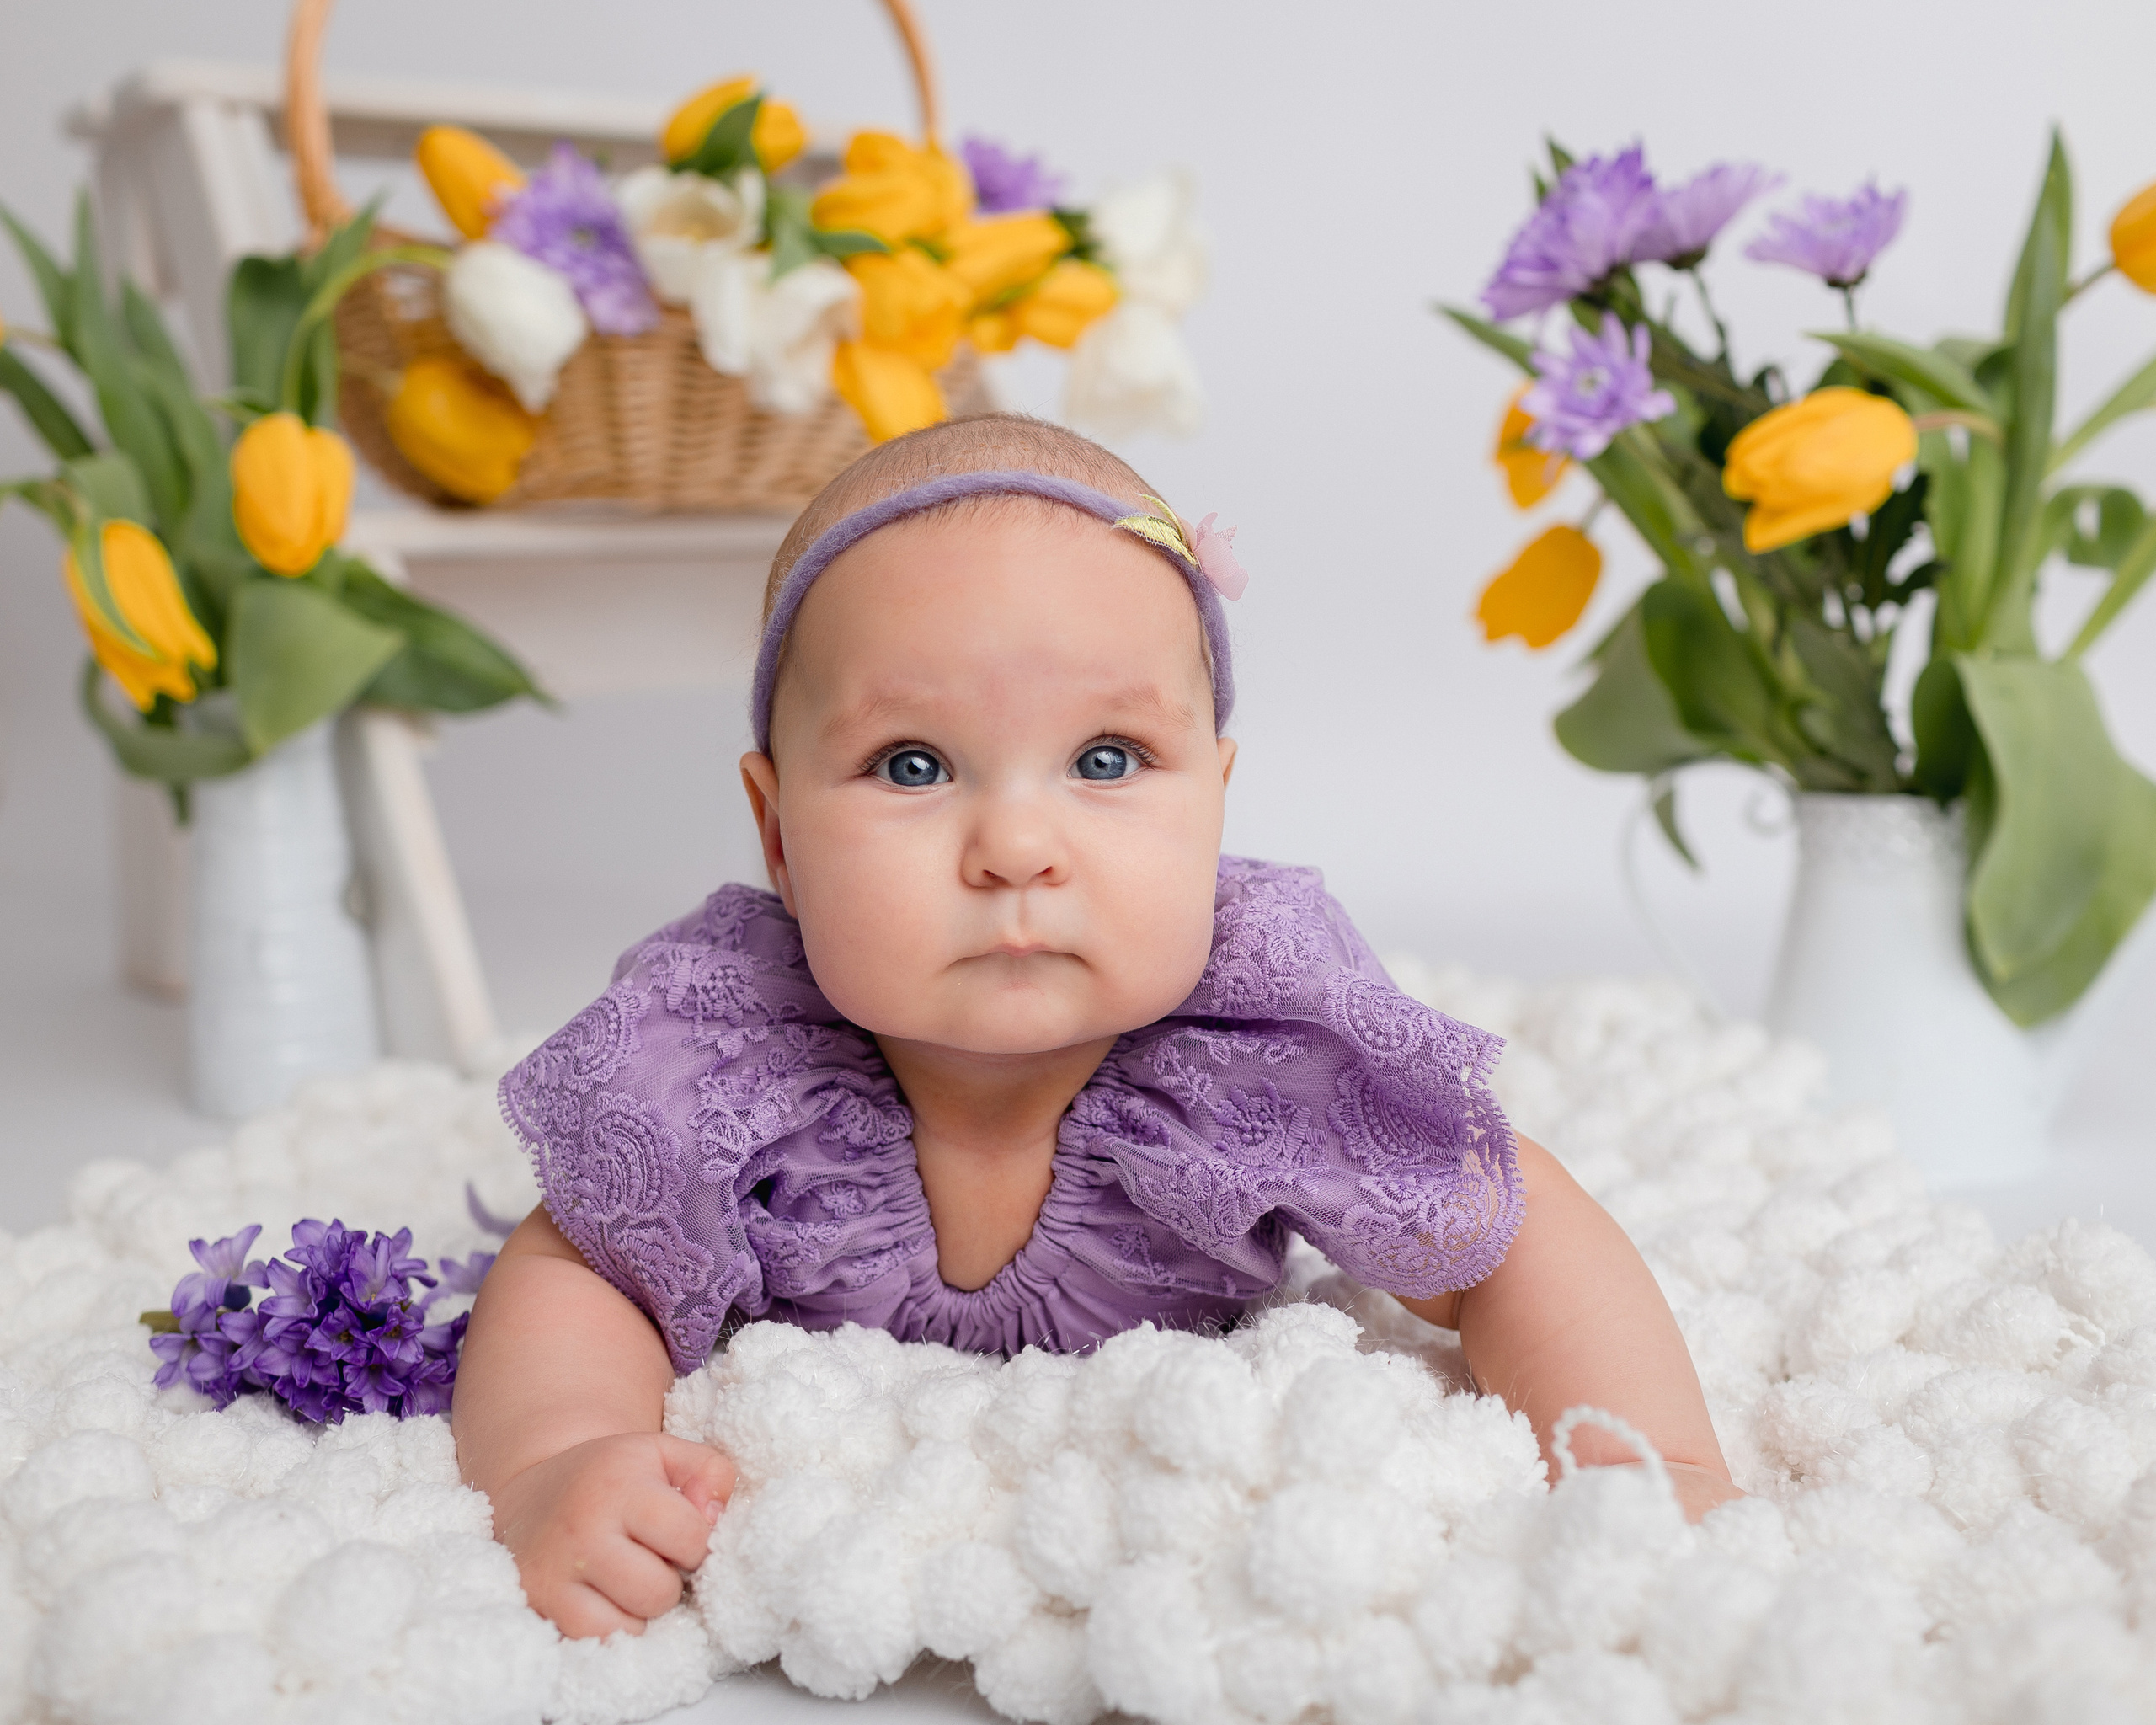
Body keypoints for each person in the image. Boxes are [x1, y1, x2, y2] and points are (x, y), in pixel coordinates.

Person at [451, 414, 1741, 1638]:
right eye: (913, 765)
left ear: (1215, 804)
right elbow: (578, 1270)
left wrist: (1652, 1453)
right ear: (779, 833)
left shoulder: (1255, 1057)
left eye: (1109, 759)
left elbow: (1508, 1228)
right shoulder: (725, 1055)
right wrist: (556, 1459)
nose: (1017, 846)